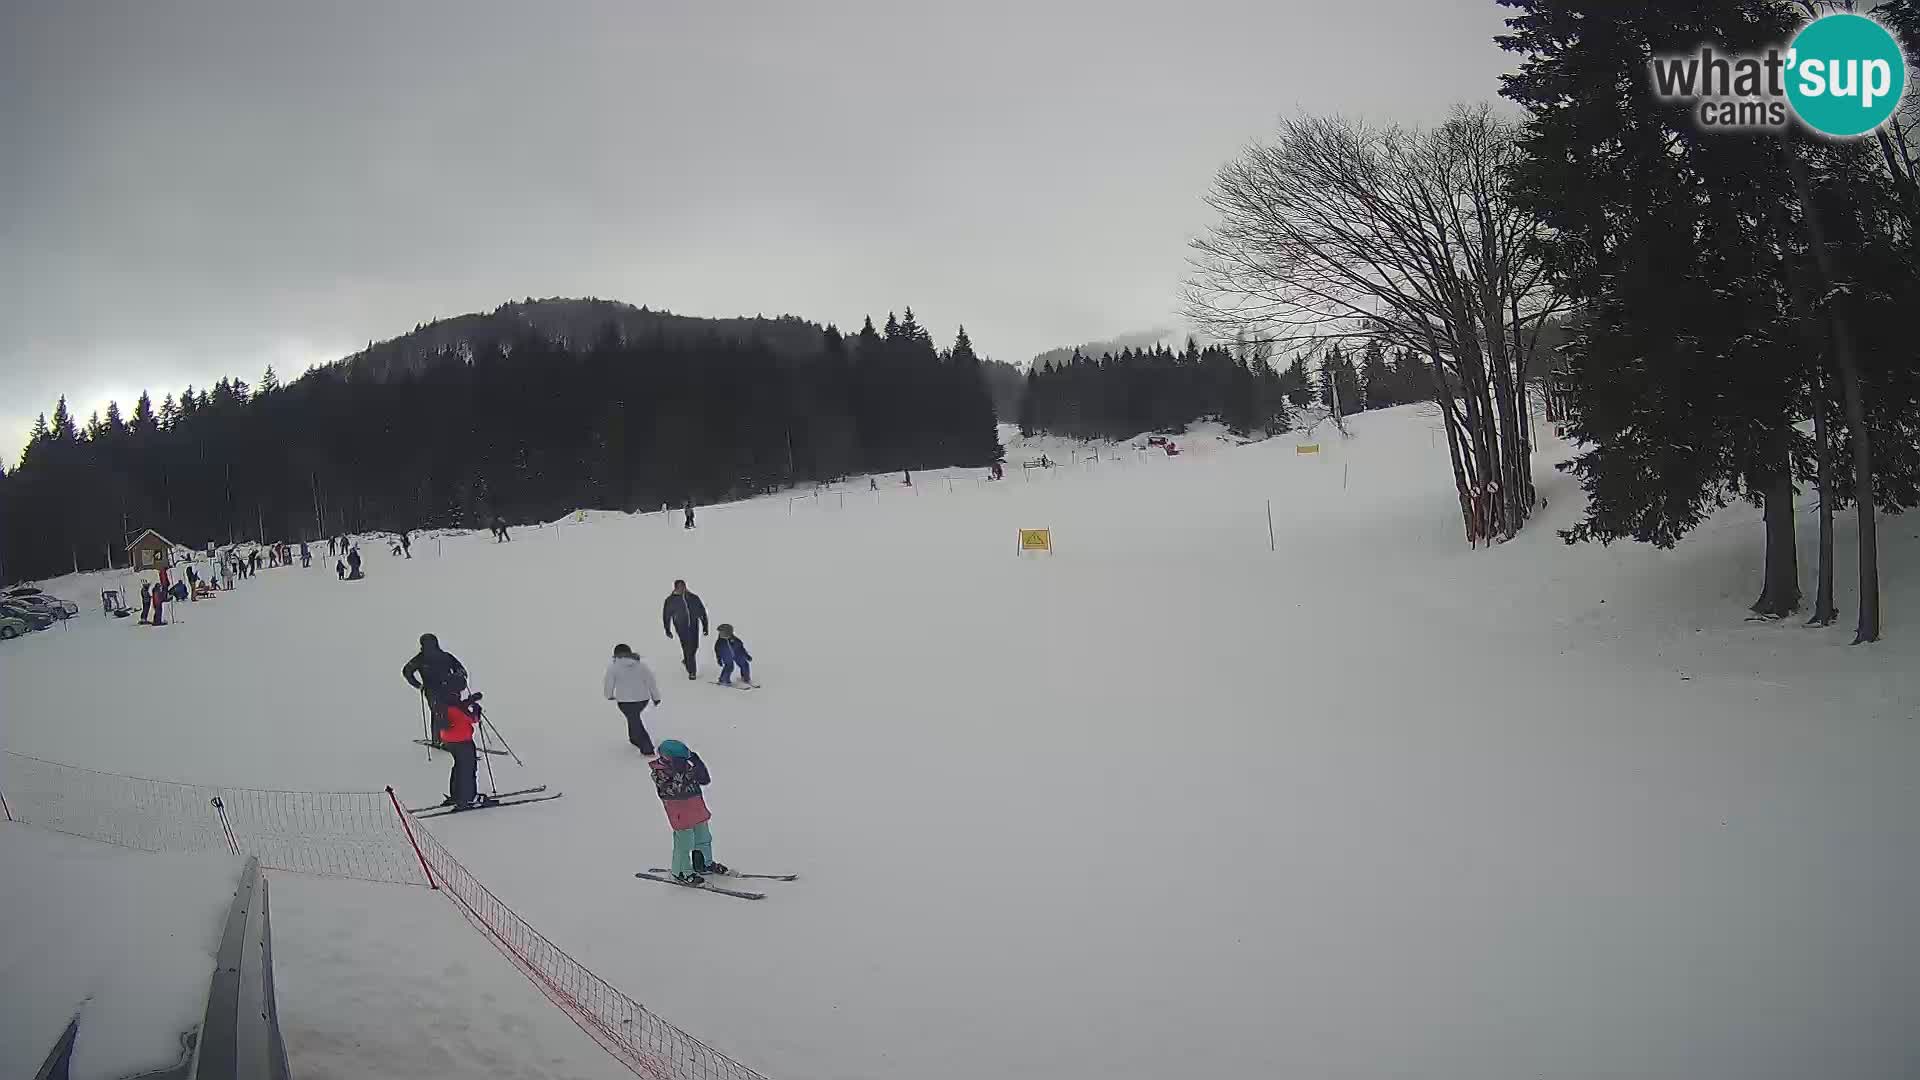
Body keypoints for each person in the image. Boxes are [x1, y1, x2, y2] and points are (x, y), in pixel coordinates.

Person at [650, 739, 727, 883]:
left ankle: (703, 864)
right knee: (684, 843)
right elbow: (675, 790)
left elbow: (704, 780)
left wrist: (698, 763)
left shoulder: (686, 766)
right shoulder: (659, 772)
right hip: (680, 813)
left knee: (703, 838)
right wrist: (678, 771)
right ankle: (680, 872)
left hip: (696, 808)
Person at [403, 632, 469, 745]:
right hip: (449, 689)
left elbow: (406, 672)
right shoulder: (445, 656)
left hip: (434, 691)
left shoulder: (420, 659)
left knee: (438, 713)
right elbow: (461, 670)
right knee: (453, 711)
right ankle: (454, 739)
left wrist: (419, 685)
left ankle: (439, 740)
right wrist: (458, 676)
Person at [434, 692, 491, 809]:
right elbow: (473, 719)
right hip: (463, 741)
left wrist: (470, 700)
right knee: (468, 769)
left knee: (459, 767)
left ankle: (457, 795)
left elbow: (459, 706)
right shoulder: (457, 708)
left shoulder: (442, 705)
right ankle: (470, 798)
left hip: (449, 741)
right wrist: (477, 710)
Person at [603, 644, 662, 753]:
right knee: (633, 718)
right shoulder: (641, 665)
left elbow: (609, 683)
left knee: (634, 719)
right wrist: (656, 697)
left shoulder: (614, 667)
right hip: (642, 700)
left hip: (624, 701)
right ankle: (634, 739)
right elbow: (651, 681)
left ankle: (647, 747)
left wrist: (609, 695)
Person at [661, 579, 709, 679]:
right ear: (675, 588)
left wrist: (705, 626)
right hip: (681, 627)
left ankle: (687, 660)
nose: (682, 589)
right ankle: (692, 672)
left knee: (695, 646)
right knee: (687, 647)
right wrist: (667, 629)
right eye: (679, 587)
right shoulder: (670, 600)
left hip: (694, 625)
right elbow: (666, 615)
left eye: (683, 586)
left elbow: (702, 611)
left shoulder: (693, 598)